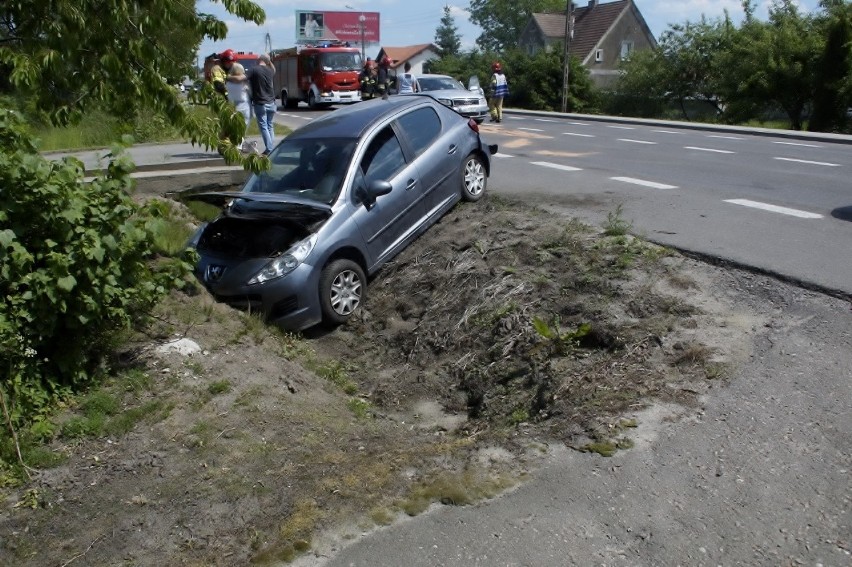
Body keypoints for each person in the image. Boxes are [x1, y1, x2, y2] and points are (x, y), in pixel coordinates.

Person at [236, 53, 276, 156]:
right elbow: (273, 68)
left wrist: (230, 77)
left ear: (259, 59)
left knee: (263, 126)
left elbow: (241, 78)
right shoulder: (270, 71)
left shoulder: (254, 69)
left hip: (260, 102)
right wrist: (268, 60)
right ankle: (270, 148)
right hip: (272, 102)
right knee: (269, 125)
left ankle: (269, 148)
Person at [220, 49, 256, 153]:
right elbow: (247, 88)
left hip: (232, 106)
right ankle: (237, 147)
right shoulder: (241, 82)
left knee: (233, 127)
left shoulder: (228, 82)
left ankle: (232, 145)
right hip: (243, 105)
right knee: (242, 127)